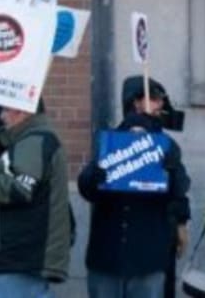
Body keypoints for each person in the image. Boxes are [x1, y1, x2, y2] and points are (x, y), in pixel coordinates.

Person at [79, 77, 190, 298]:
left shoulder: (167, 145)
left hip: (148, 255)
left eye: (161, 100)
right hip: (108, 255)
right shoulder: (109, 141)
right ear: (137, 103)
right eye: (155, 99)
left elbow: (179, 190)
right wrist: (98, 173)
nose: (160, 105)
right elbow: (86, 187)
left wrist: (180, 221)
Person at [0, 100, 71, 298]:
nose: (1, 116)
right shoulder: (29, 141)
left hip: (13, 261)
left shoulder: (34, 142)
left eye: (5, 109)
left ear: (21, 111)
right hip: (19, 261)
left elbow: (20, 189)